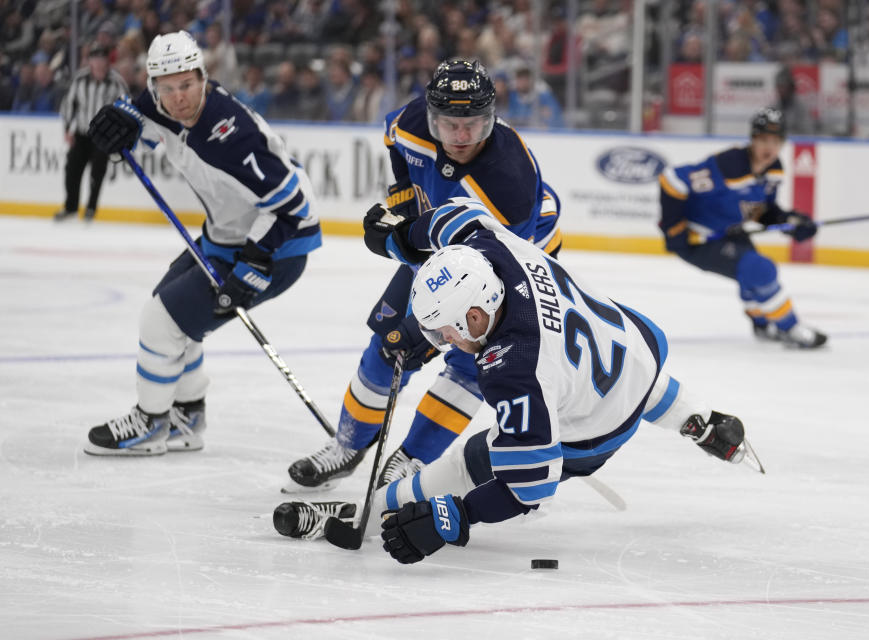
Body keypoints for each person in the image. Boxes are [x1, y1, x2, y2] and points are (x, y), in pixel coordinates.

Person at [272, 197, 755, 563]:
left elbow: (531, 487)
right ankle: (703, 422)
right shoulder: (490, 246)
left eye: (445, 331)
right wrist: (402, 241)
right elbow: (454, 217)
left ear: (476, 318)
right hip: (633, 343)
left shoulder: (513, 369)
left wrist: (455, 517)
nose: (442, 341)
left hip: (591, 434)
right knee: (629, 375)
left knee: (464, 465)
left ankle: (364, 514)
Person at [283, 58, 562, 493]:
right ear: (432, 116)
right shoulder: (414, 121)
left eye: (473, 123)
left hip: (512, 258)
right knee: (390, 343)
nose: (462, 136)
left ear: (492, 116)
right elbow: (395, 143)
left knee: (471, 363)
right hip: (443, 242)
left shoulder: (511, 185)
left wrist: (403, 242)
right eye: (450, 124)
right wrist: (404, 204)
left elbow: (497, 265)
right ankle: (347, 446)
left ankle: (410, 461)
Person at [81, 30, 322, 455]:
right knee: (171, 315)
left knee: (160, 322)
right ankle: (186, 417)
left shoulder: (233, 136)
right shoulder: (160, 104)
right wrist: (116, 121)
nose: (178, 98)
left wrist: (255, 261)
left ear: (204, 77)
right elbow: (134, 115)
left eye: (188, 85)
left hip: (277, 248)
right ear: (155, 86)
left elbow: (295, 205)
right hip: (223, 237)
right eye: (168, 88)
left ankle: (151, 423)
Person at [658, 107, 827, 348]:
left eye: (776, 141)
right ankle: (789, 328)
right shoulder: (729, 166)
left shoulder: (773, 170)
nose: (769, 147)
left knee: (755, 272)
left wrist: (790, 221)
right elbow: (672, 180)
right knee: (759, 269)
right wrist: (674, 230)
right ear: (753, 140)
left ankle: (762, 324)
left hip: (729, 233)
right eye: (764, 140)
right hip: (697, 240)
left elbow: (760, 210)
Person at [53, 44, 128, 222]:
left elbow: (125, 108)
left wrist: (119, 133)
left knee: (97, 172)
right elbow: (69, 104)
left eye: (102, 59)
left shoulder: (116, 82)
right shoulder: (80, 80)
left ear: (107, 61)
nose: (99, 63)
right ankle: (70, 207)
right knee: (72, 169)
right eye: (95, 59)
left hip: (103, 136)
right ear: (90, 61)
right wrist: (67, 130)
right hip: (81, 132)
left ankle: (90, 208)